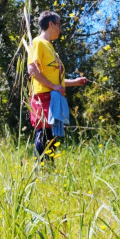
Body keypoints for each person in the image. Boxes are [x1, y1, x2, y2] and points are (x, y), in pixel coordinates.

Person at [27, 11, 87, 157]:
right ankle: (39, 169)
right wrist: (53, 87)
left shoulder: (50, 47)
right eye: (59, 25)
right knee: (44, 133)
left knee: (51, 135)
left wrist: (74, 82)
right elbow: (32, 70)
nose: (60, 29)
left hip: (52, 96)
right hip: (42, 96)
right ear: (51, 24)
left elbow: (55, 81)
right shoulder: (37, 42)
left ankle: (47, 168)